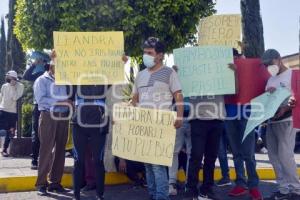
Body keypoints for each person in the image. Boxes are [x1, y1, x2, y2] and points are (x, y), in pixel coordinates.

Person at [132, 37, 183, 200]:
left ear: (160, 55)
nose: (145, 55)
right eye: (144, 52)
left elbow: (178, 95)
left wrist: (180, 116)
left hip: (162, 126)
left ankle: (161, 196)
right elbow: (135, 99)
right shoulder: (140, 75)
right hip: (143, 125)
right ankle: (153, 194)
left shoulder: (169, 73)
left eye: (149, 53)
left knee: (158, 165)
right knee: (147, 164)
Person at [262, 49, 300, 200]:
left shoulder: (293, 75)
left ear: (279, 59)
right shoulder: (270, 80)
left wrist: (286, 106)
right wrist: (268, 95)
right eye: (265, 65)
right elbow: (268, 101)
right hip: (272, 122)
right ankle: (283, 189)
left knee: (285, 156)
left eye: (270, 64)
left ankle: (296, 189)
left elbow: (296, 97)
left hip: (287, 121)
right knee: (274, 156)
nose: (268, 67)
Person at [34, 61, 71, 196]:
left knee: (61, 149)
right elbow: (41, 100)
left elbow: (66, 98)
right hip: (48, 115)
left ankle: (55, 182)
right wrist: (62, 101)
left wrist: (68, 103)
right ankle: (41, 184)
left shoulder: (63, 80)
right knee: (46, 149)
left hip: (63, 116)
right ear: (51, 67)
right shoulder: (41, 80)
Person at [168, 65, 192, 196]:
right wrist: (173, 73)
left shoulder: (197, 79)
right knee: (174, 151)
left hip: (194, 118)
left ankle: (189, 182)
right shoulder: (173, 77)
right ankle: (172, 182)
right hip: (178, 117)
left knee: (191, 152)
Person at [23, 56, 49, 169]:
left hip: (52, 107)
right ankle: (34, 160)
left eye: (43, 61)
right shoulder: (39, 75)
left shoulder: (51, 72)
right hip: (38, 106)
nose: (42, 63)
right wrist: (34, 64)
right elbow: (26, 76)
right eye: (41, 61)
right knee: (37, 134)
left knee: (50, 135)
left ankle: (47, 159)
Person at [0, 70, 24, 157]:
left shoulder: (20, 86)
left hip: (12, 112)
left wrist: (13, 86)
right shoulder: (4, 86)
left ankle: (4, 150)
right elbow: (1, 97)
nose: (7, 79)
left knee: (10, 132)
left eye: (9, 77)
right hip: (2, 110)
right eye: (7, 77)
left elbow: (15, 97)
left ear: (14, 78)